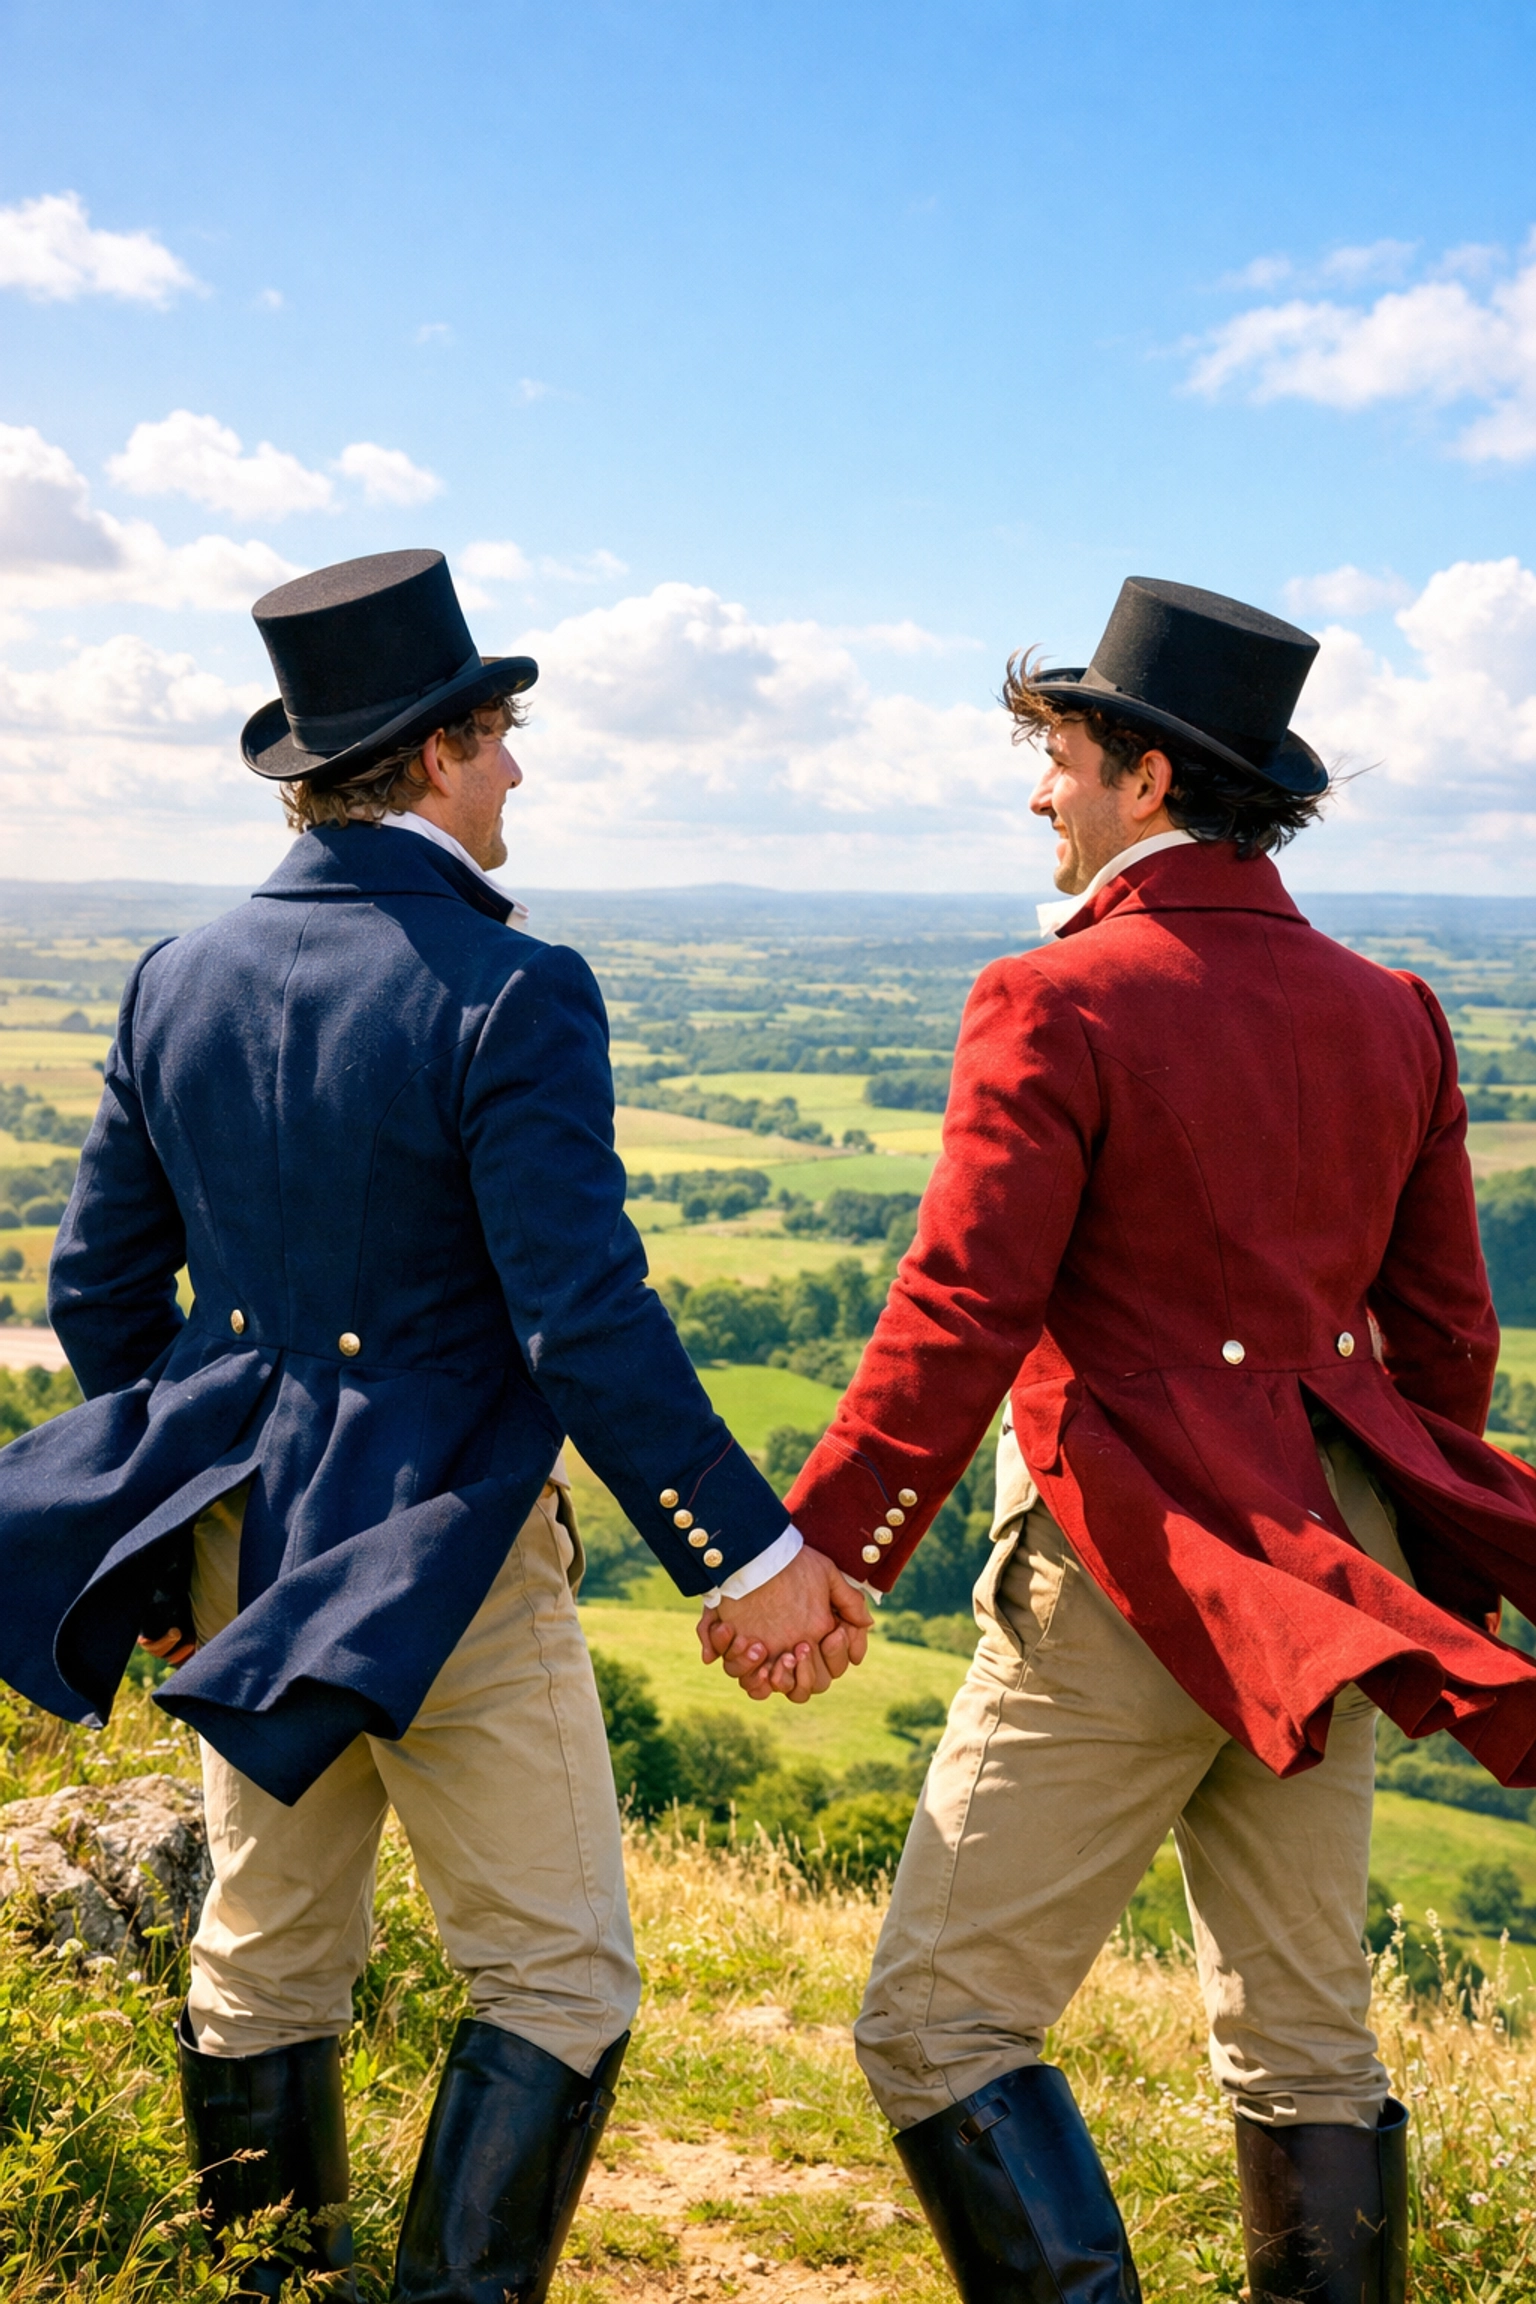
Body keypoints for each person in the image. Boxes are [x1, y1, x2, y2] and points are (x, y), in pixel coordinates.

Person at [0, 548, 870, 2302]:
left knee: (262, 1956)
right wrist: (755, 1552)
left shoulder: (178, 974)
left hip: (246, 1548)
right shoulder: (507, 988)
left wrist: (169, 1534)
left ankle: (276, 2292)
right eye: (505, 740)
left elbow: (101, 1294)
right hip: (446, 1549)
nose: (521, 776)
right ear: (440, 753)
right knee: (556, 1978)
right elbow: (582, 1321)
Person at [704, 578, 1536, 2304]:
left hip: (1134, 1572)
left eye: (1061, 758)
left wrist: (828, 1553)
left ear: (1148, 780)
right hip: (1338, 1569)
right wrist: (1386, 1542)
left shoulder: (1057, 996)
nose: (1040, 794)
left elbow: (958, 1307)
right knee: (1306, 2037)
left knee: (938, 2024)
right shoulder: (1398, 1006)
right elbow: (1450, 1333)